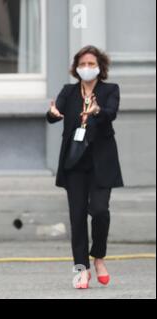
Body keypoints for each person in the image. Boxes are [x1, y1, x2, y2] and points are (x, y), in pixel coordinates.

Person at [47, 45, 123, 289]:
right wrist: (52, 113)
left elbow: (111, 113)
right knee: (77, 216)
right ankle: (81, 269)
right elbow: (53, 113)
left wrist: (97, 110)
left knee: (100, 211)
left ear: (100, 67)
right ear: (76, 68)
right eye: (83, 64)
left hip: (102, 161)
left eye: (92, 64)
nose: (87, 68)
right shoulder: (68, 91)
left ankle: (98, 256)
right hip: (74, 162)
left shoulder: (110, 90)